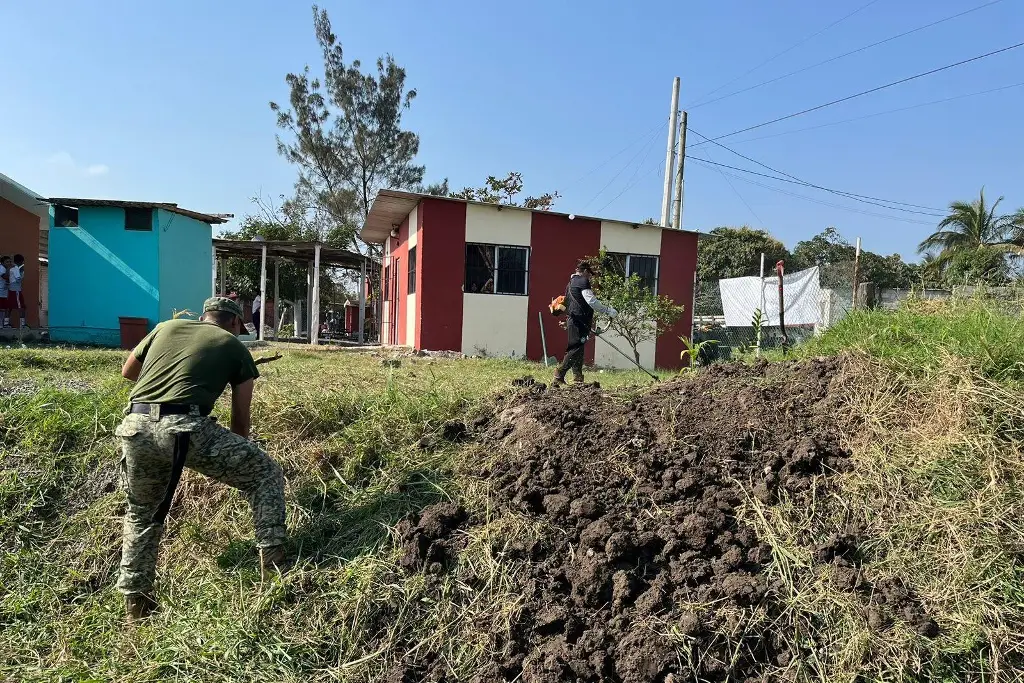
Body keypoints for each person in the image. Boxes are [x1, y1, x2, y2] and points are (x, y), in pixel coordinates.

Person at [115, 296, 287, 620]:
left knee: (142, 515)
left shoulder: (166, 327)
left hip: (134, 427)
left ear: (205, 315)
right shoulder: (234, 346)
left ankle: (135, 607)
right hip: (183, 427)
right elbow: (240, 419)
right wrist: (235, 459)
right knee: (265, 473)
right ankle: (275, 574)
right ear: (235, 323)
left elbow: (129, 372)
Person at [553, 260, 617, 386]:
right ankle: (559, 374)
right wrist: (608, 311)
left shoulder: (570, 284)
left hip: (574, 321)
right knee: (576, 348)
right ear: (586, 271)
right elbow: (591, 301)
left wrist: (568, 323)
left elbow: (568, 305)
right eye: (589, 274)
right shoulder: (583, 281)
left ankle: (578, 378)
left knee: (578, 348)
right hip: (579, 322)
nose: (589, 277)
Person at [7, 254, 25, 329]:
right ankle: (22, 325)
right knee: (21, 307)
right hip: (16, 290)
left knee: (9, 307)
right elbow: (18, 279)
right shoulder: (16, 268)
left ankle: (6, 323)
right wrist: (22, 272)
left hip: (11, 289)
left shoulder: (11, 268)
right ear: (20, 261)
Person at [0, 256, 9, 328]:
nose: (9, 263)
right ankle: (1, 324)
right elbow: (5, 277)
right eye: (7, 262)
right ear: (2, 262)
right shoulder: (1, 268)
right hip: (1, 291)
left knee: (3, 309)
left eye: (9, 262)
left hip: (3, 292)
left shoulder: (4, 268)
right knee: (2, 309)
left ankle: (2, 324)